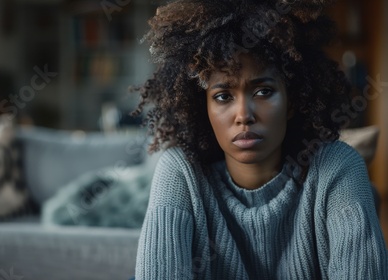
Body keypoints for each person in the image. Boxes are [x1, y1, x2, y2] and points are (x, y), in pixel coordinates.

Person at [131, 0, 388, 279]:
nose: (244, 115)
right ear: (202, 108)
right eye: (223, 96)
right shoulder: (181, 172)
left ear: (292, 100)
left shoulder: (337, 167)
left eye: (264, 91)